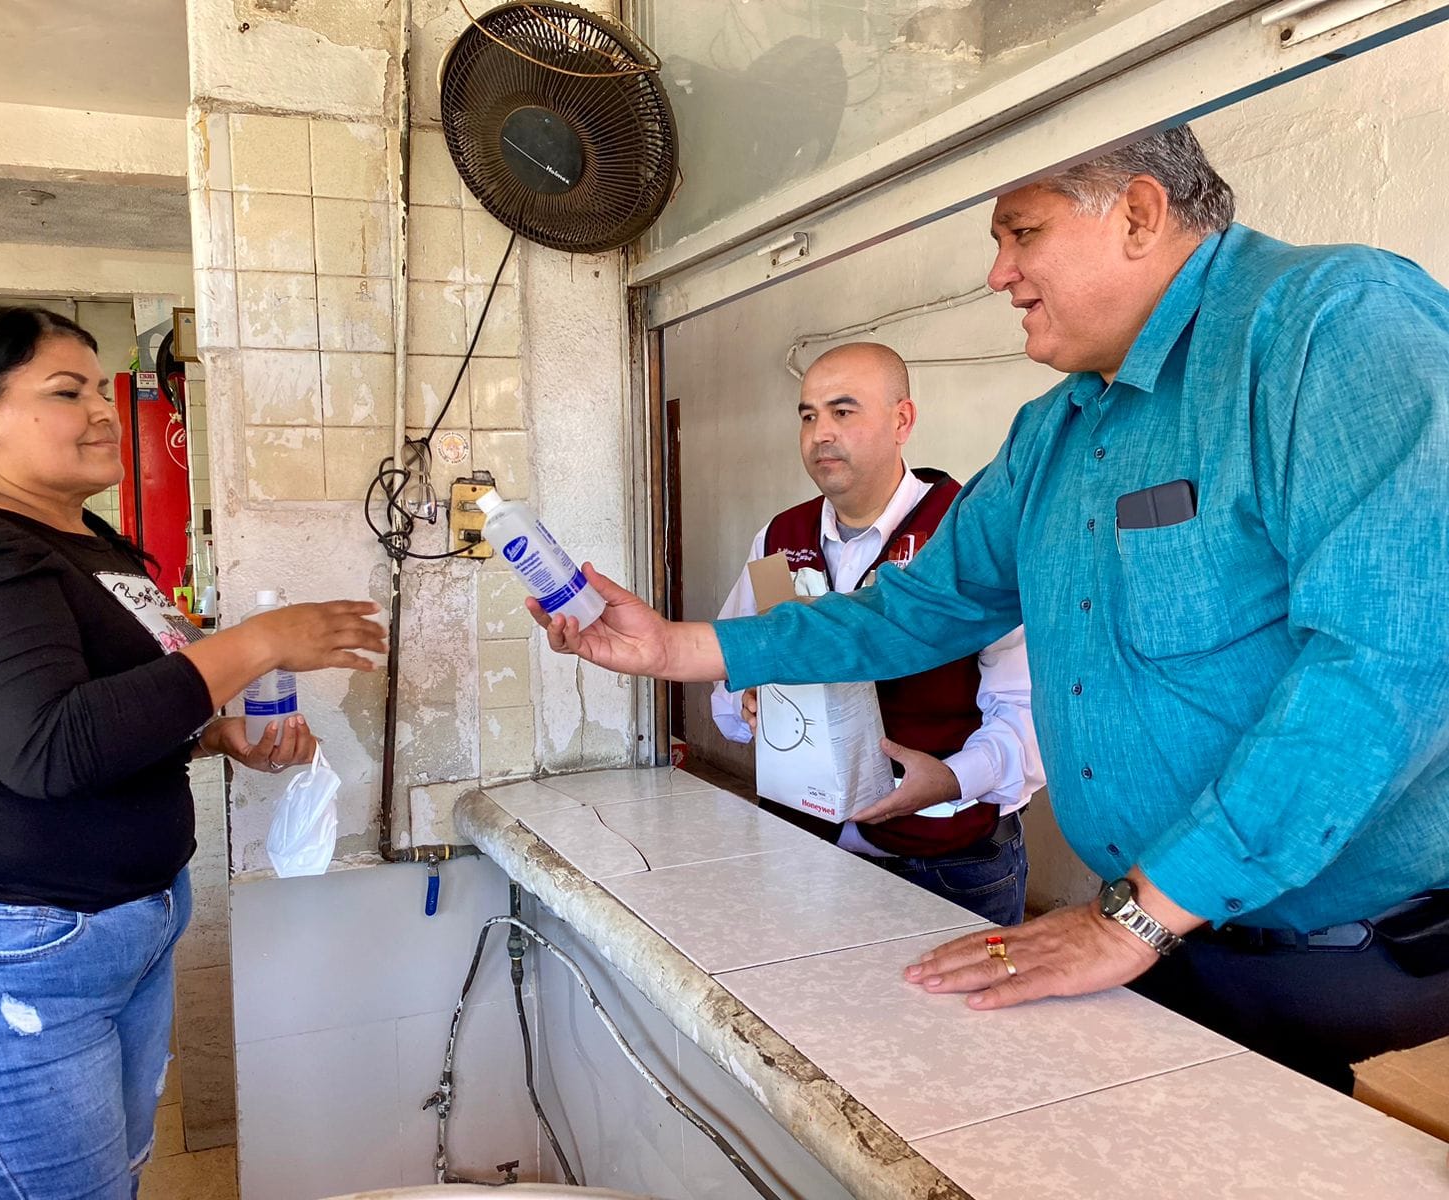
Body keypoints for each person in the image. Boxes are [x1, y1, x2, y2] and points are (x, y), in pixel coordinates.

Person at [530, 126, 1449, 1093]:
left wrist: (1134, 916)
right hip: (1163, 937)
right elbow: (910, 612)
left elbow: (1395, 657)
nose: (997, 272)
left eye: (1021, 233)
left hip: (1317, 947)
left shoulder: (1332, 326)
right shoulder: (1055, 431)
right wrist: (674, 646)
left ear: (1138, 214)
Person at [0, 307, 389, 1198]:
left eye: (100, 390)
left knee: (114, 1180)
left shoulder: (92, 546)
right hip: (2, 955)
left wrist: (213, 733)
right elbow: (48, 747)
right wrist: (256, 642)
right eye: (64, 392)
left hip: (120, 932)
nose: (102, 412)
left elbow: (112, 704)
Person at [710, 341, 1042, 925]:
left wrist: (952, 779)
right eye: (808, 416)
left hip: (949, 863)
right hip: (803, 850)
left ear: (902, 420)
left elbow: (1028, 714)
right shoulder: (777, 538)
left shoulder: (966, 536)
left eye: (843, 411)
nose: (820, 434)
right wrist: (749, 703)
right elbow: (726, 684)